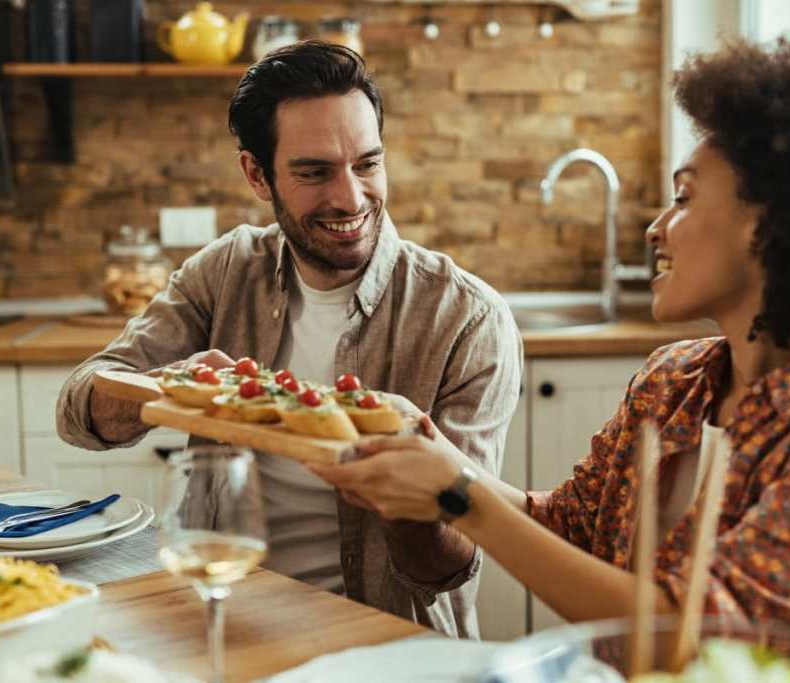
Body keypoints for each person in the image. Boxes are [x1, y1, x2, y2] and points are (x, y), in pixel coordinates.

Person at [308, 37, 790, 657]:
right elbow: (571, 530)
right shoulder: (675, 382)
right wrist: (436, 454)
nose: (656, 227)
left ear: (770, 226)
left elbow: (699, 645)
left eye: (683, 198)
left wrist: (458, 495)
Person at [56, 41, 523, 638]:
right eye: (314, 172)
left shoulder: (467, 317)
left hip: (388, 645)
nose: (350, 198)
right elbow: (76, 409)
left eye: (368, 164)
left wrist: (405, 485)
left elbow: (449, 567)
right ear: (257, 174)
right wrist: (172, 388)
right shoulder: (225, 271)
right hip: (225, 615)